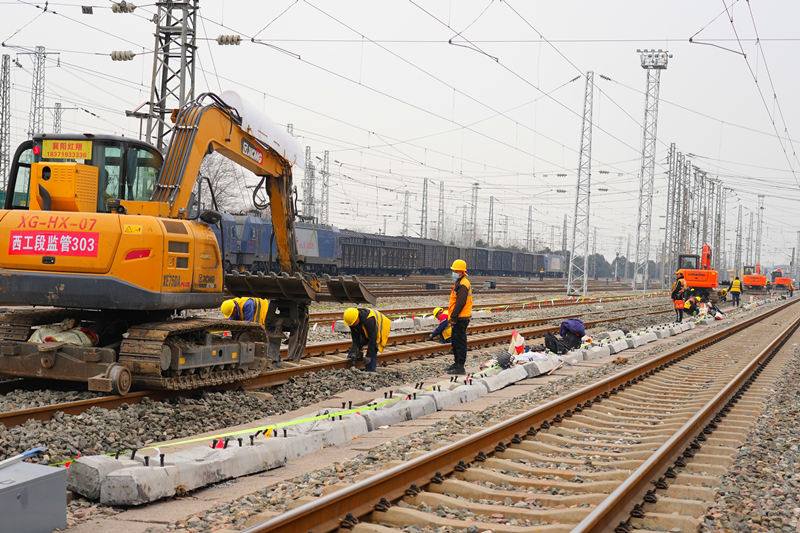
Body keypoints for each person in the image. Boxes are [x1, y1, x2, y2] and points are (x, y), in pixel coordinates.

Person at [342, 307, 391, 372]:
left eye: (353, 324)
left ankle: (370, 371)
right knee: (359, 343)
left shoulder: (369, 320)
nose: (352, 325)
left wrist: (369, 355)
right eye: (351, 325)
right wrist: (354, 350)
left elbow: (373, 339)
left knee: (374, 347)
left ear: (357, 318)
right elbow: (355, 338)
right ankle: (351, 361)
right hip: (368, 327)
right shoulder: (352, 321)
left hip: (381, 327)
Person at [446, 259, 472, 375]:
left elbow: (460, 303)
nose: (453, 272)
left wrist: (454, 317)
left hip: (461, 318)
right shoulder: (459, 282)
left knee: (460, 342)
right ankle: (456, 363)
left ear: (461, 272)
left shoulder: (463, 284)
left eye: (455, 270)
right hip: (459, 317)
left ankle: (460, 366)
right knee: (456, 342)